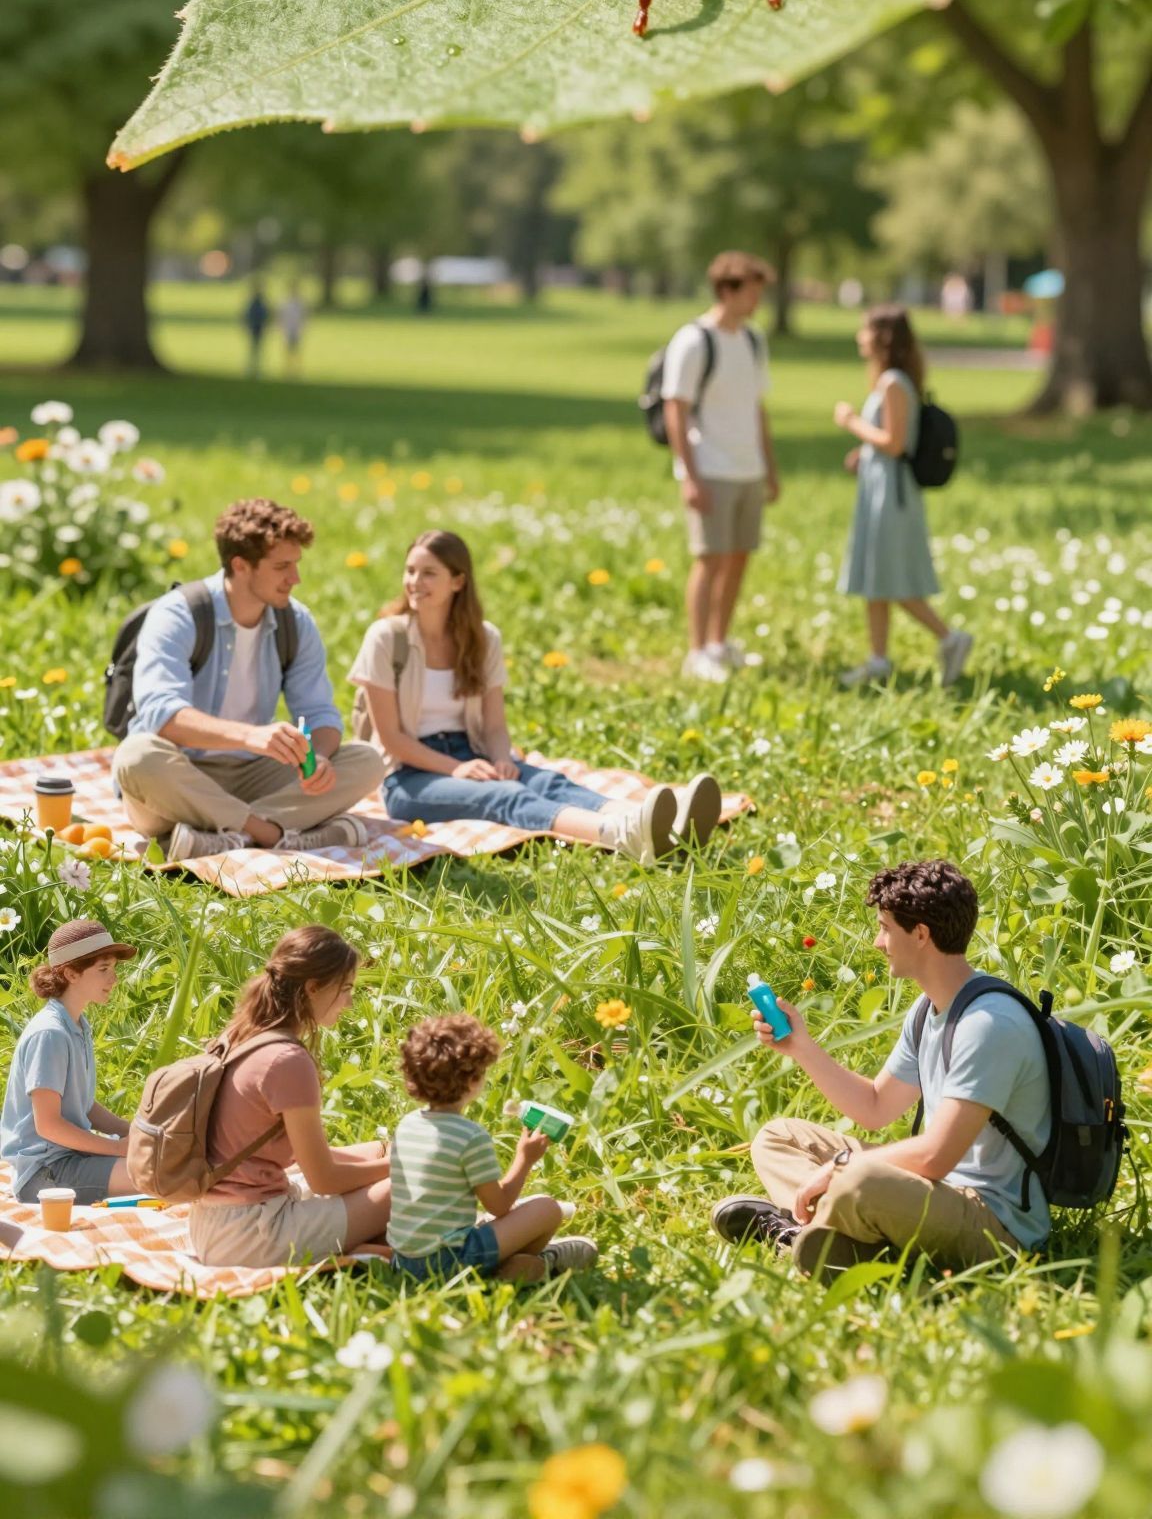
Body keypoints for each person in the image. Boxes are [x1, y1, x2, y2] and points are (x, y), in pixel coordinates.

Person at [711, 860, 1051, 1279]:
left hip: (994, 1224)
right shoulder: (929, 1011)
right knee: (777, 1138)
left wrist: (840, 1166)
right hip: (937, 1193)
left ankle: (803, 1236)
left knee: (860, 1180)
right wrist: (801, 1047)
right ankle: (830, 1240)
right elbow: (874, 1107)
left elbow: (935, 1157)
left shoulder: (989, 1025)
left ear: (921, 934)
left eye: (886, 928)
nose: (877, 941)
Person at [349, 528, 721, 865]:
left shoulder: (482, 639)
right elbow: (392, 740)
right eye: (410, 571)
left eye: (428, 573)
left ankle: (657, 819)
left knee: (549, 782)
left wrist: (499, 756)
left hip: (472, 752)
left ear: (458, 582)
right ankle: (623, 836)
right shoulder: (386, 638)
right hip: (409, 778)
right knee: (507, 795)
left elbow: (494, 724)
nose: (414, 582)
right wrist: (457, 769)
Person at [113, 497, 384, 861]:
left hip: (255, 778)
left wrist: (317, 760)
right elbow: (164, 715)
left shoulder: (295, 622)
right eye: (282, 566)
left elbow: (321, 714)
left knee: (366, 760)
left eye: (296, 565)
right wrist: (251, 736)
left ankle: (216, 837)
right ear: (241, 566)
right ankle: (273, 834)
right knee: (135, 757)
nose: (296, 578)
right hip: (179, 777)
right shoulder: (178, 615)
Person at [187, 926, 392, 1268]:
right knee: (415, 1178)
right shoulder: (287, 1060)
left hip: (211, 1224)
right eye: (345, 989)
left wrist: (383, 1159)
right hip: (252, 1234)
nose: (350, 1002)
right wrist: (401, 1166)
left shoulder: (241, 1034)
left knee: (376, 1151)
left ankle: (368, 1243)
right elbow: (322, 1179)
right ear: (313, 987)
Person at [389, 1013, 596, 1284]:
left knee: (512, 1214)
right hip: (446, 1262)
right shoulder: (470, 1137)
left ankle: (511, 1265)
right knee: (546, 1209)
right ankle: (506, 1270)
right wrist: (525, 1158)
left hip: (402, 1261)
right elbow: (499, 1206)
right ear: (473, 1080)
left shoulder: (407, 1126)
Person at [835, 305, 972, 688]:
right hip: (881, 486)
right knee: (877, 578)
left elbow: (894, 444)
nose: (859, 338)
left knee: (891, 580)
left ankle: (950, 638)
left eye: (864, 331)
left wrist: (852, 424)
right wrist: (863, 454)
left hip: (891, 495)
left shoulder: (894, 382)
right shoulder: (893, 381)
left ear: (881, 337)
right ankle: (878, 659)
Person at [661, 251, 780, 683]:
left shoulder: (753, 339)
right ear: (728, 290)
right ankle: (696, 652)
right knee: (709, 560)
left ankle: (718, 641)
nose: (758, 300)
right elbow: (675, 409)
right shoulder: (694, 340)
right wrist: (690, 474)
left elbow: (757, 406)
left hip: (747, 468)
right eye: (752, 291)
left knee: (738, 559)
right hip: (709, 466)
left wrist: (769, 466)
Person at [1, 919, 136, 1205]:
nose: (113, 979)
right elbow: (49, 1126)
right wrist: (119, 1149)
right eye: (103, 969)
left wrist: (133, 1132)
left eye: (113, 969)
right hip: (44, 1175)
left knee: (167, 1165)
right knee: (162, 1175)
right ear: (72, 973)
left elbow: (83, 1106)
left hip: (68, 1159)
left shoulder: (76, 1025)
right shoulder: (50, 1033)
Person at [243, 284, 271, 377]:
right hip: (255, 327)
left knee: (256, 349)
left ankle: (255, 368)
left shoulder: (258, 303)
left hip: (258, 327)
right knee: (254, 349)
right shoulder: (256, 303)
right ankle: (253, 368)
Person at [279, 284, 307, 375]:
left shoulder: (300, 304)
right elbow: (281, 317)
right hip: (288, 329)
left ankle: (296, 369)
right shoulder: (286, 303)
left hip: (296, 329)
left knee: (296, 350)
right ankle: (287, 368)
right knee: (288, 350)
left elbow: (304, 317)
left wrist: (302, 327)